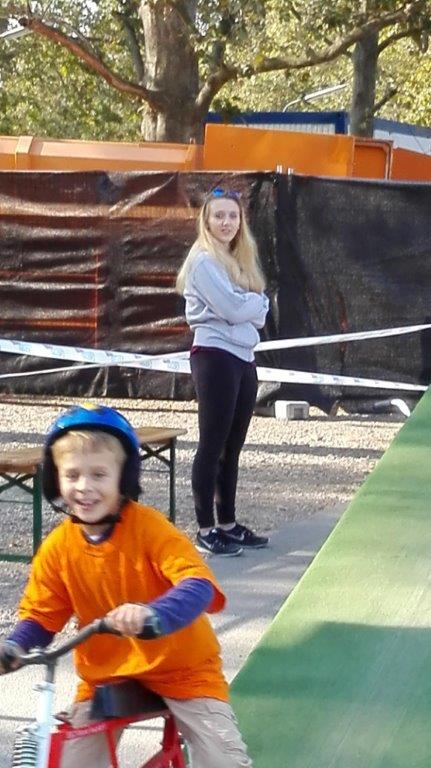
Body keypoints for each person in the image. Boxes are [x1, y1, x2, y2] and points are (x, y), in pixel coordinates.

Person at [0, 404, 253, 768]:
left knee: (222, 759)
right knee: (69, 761)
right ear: (56, 479)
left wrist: (155, 614)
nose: (84, 487)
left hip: (183, 670)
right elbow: (42, 615)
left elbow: (198, 584)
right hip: (107, 674)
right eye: (72, 475)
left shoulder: (150, 528)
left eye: (99, 474)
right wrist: (14, 646)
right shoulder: (57, 548)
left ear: (124, 478)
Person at [176, 187, 270, 557]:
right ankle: (205, 529)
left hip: (243, 357)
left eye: (232, 215)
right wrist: (251, 304)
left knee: (233, 445)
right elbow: (235, 309)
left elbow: (258, 310)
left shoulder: (239, 260)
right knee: (212, 443)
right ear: (207, 220)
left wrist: (250, 305)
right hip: (215, 356)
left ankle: (228, 524)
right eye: (219, 215)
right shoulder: (203, 262)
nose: (226, 222)